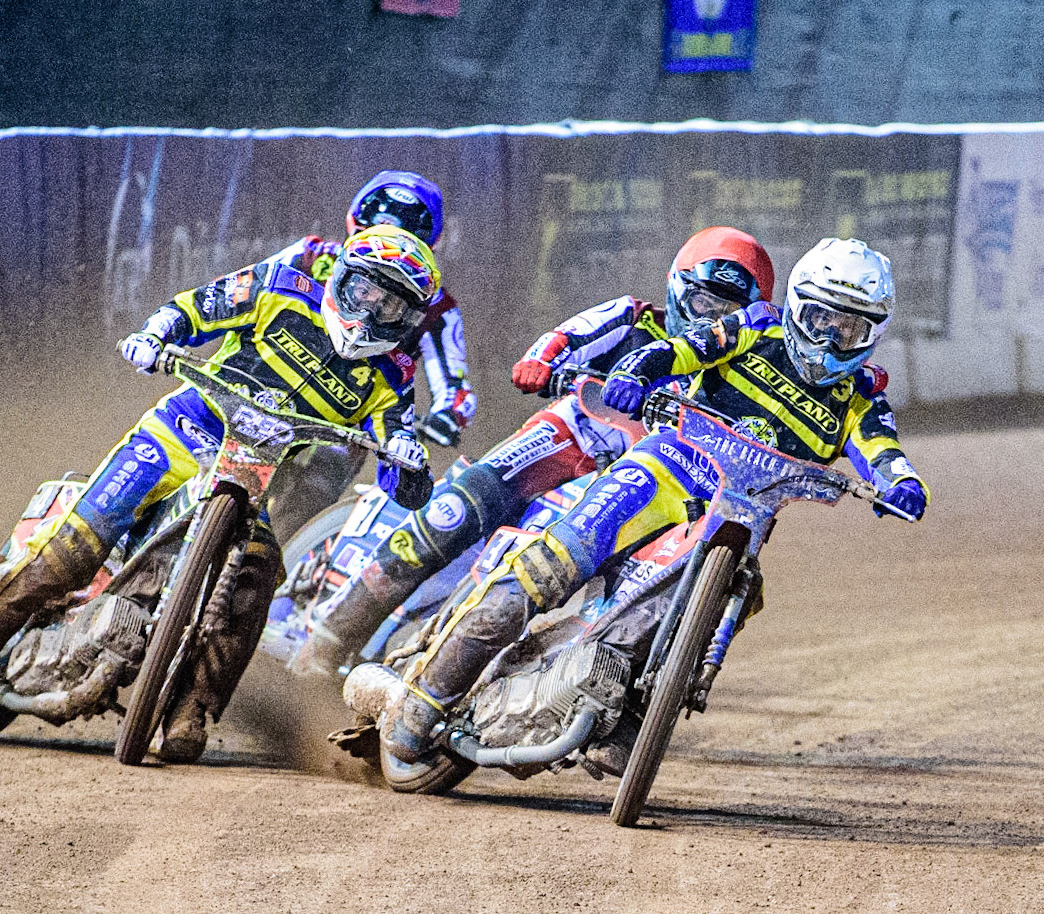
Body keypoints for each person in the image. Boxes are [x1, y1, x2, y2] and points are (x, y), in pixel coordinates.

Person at [377, 237, 930, 767]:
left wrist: (902, 483)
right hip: (667, 467)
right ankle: (424, 700)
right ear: (795, 306)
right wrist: (636, 372)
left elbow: (883, 450)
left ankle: (632, 708)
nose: (830, 340)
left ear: (873, 334)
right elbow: (681, 348)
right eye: (821, 319)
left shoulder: (863, 395)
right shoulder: (754, 326)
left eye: (850, 329)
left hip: (741, 514)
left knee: (739, 596)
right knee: (549, 568)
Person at [0, 224, 441, 764]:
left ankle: (192, 708)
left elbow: (397, 456)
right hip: (180, 434)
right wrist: (154, 335)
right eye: (364, 291)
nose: (371, 311)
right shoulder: (282, 288)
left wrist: (410, 464)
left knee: (258, 573)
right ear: (342, 279)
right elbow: (197, 307)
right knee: (73, 548)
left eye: (390, 305)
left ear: (408, 318)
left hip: (254, 474)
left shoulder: (392, 375)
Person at [290, 226, 775, 675]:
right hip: (571, 435)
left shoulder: (749, 375)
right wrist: (541, 362)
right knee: (450, 512)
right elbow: (567, 337)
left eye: (725, 311)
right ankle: (326, 645)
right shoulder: (636, 319)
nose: (709, 318)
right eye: (702, 300)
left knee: (649, 587)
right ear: (677, 286)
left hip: (651, 482)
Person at [265, 172, 475, 537]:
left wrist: (447, 416)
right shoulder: (313, 254)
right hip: (269, 382)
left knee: (303, 503)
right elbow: (246, 291)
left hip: (345, 420)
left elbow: (454, 383)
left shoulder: (434, 306)